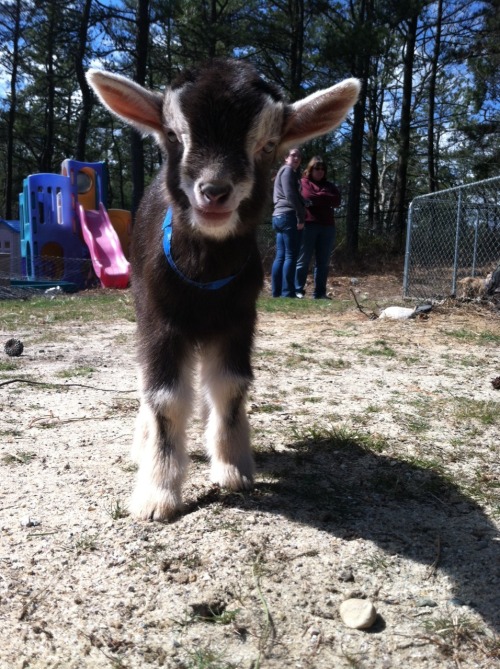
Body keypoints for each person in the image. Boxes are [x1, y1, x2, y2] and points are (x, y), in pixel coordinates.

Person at [295, 156, 341, 299]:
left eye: (322, 169)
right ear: (310, 169)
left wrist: (318, 197)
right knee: (303, 260)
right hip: (308, 225)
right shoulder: (303, 182)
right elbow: (308, 197)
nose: (320, 171)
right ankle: (297, 290)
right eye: (317, 168)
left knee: (323, 262)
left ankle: (320, 293)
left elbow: (337, 200)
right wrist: (324, 198)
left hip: (327, 227)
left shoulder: (330, 185)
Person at [271, 148, 306, 297]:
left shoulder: (284, 171)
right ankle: (287, 292)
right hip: (287, 217)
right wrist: (300, 216)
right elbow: (290, 195)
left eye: (299, 156)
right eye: (293, 155)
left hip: (278, 217)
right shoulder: (288, 171)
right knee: (291, 255)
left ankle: (277, 292)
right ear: (286, 157)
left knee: (281, 255)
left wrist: (304, 201)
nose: (296, 158)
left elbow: (291, 194)